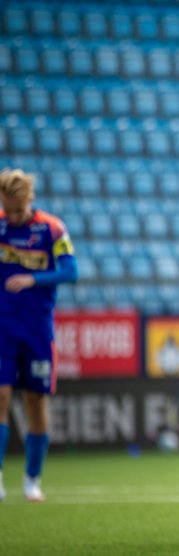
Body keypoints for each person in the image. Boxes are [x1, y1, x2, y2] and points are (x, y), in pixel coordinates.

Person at [0, 168, 78, 503]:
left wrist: (33, 279)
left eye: (17, 210)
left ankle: (32, 479)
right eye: (7, 209)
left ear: (28, 201)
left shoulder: (52, 228)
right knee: (1, 397)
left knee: (36, 402)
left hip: (37, 329)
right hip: (2, 328)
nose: (13, 216)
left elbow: (71, 272)